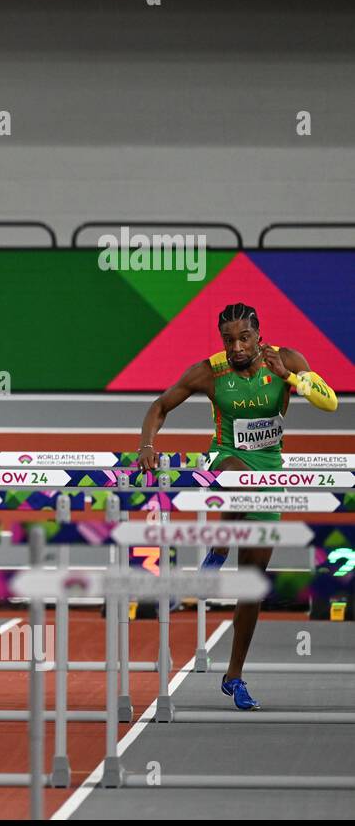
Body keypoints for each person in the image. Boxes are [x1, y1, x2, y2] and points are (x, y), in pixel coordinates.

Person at [138, 302, 338, 709]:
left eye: (243, 338)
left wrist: (292, 379)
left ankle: (234, 676)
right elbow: (159, 407)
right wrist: (146, 445)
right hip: (224, 458)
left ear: (258, 334)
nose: (236, 346)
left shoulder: (286, 360)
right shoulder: (209, 372)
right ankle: (219, 546)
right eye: (228, 340)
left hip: (270, 471)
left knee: (252, 586)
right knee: (235, 475)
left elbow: (330, 402)